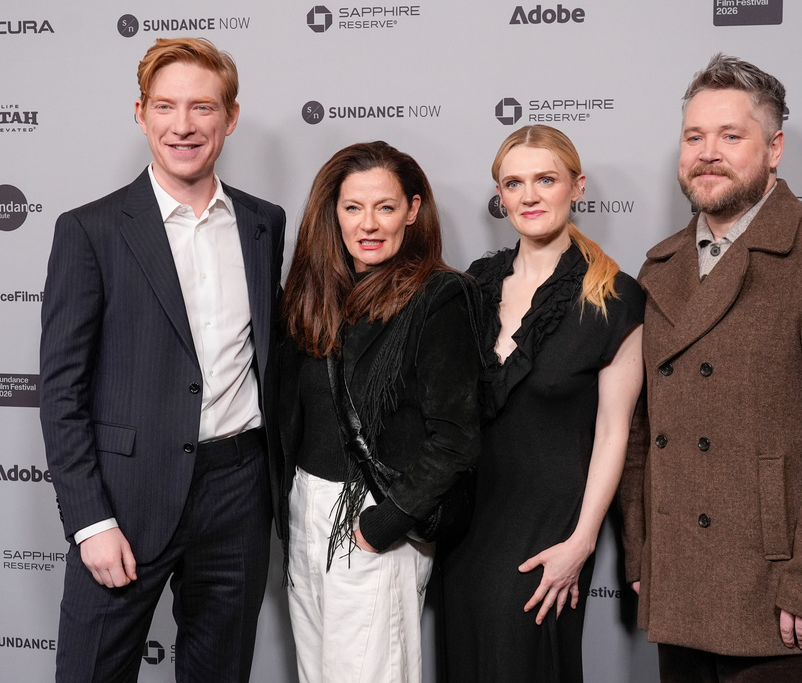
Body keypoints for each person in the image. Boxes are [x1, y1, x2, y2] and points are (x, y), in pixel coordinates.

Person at [619, 54, 802, 682]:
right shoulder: (659, 268)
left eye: (730, 136)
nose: (707, 153)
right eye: (694, 137)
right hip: (682, 582)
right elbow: (640, 428)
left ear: (774, 150)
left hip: (781, 595)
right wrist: (643, 550)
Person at [39, 38, 285, 682]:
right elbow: (61, 389)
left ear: (230, 117)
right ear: (142, 112)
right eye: (167, 106)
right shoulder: (89, 230)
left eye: (202, 107)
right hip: (124, 496)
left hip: (237, 492)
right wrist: (89, 519)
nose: (184, 125)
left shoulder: (264, 223)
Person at [441, 125, 645, 683]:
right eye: (514, 183)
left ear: (577, 187)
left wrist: (580, 542)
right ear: (501, 196)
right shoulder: (474, 284)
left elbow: (614, 434)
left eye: (545, 179)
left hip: (550, 531)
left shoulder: (616, 297)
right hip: (467, 525)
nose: (529, 196)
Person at [277, 140, 481, 683]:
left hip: (373, 515)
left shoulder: (441, 296)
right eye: (353, 207)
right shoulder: (312, 294)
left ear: (413, 211)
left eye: (386, 207)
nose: (369, 224)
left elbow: (455, 438)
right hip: (305, 510)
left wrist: (381, 526)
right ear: (334, 213)